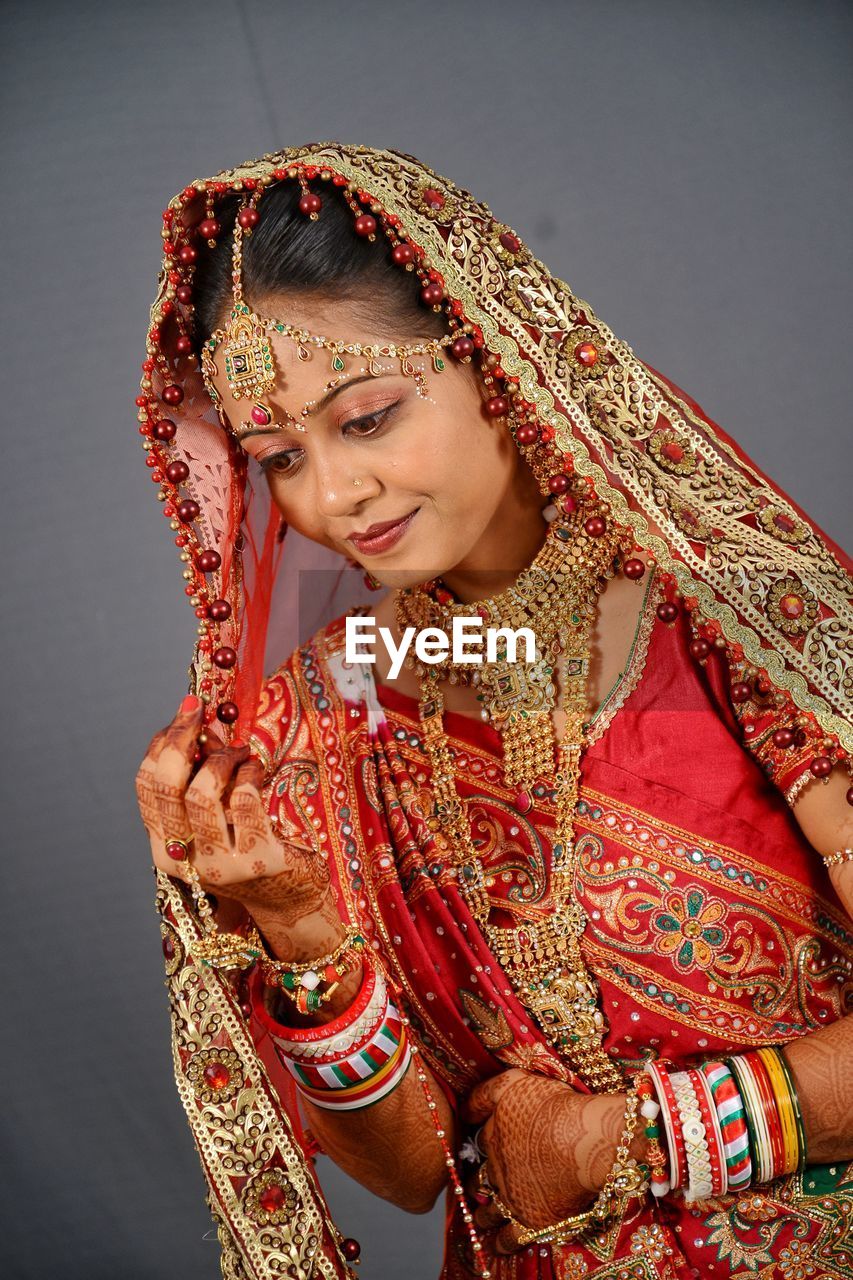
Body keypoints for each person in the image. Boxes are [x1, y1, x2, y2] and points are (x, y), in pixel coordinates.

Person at [134, 144, 853, 1280]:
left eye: (366, 417)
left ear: (495, 360)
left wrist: (618, 1140)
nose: (331, 495)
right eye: (278, 456)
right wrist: (302, 933)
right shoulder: (322, 721)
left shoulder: (735, 619)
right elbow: (413, 1169)